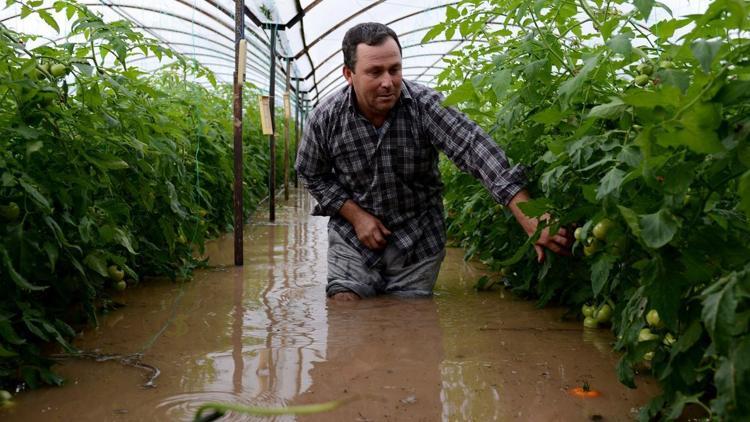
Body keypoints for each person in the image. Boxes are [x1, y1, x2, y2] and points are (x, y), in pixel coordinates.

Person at [295, 22, 572, 301]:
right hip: (352, 238)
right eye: (375, 72)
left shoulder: (424, 105)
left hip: (418, 239)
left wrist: (526, 212)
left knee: (412, 322)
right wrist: (355, 216)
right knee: (345, 308)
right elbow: (310, 172)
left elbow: (472, 146)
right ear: (348, 74)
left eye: (395, 69)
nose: (388, 82)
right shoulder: (327, 117)